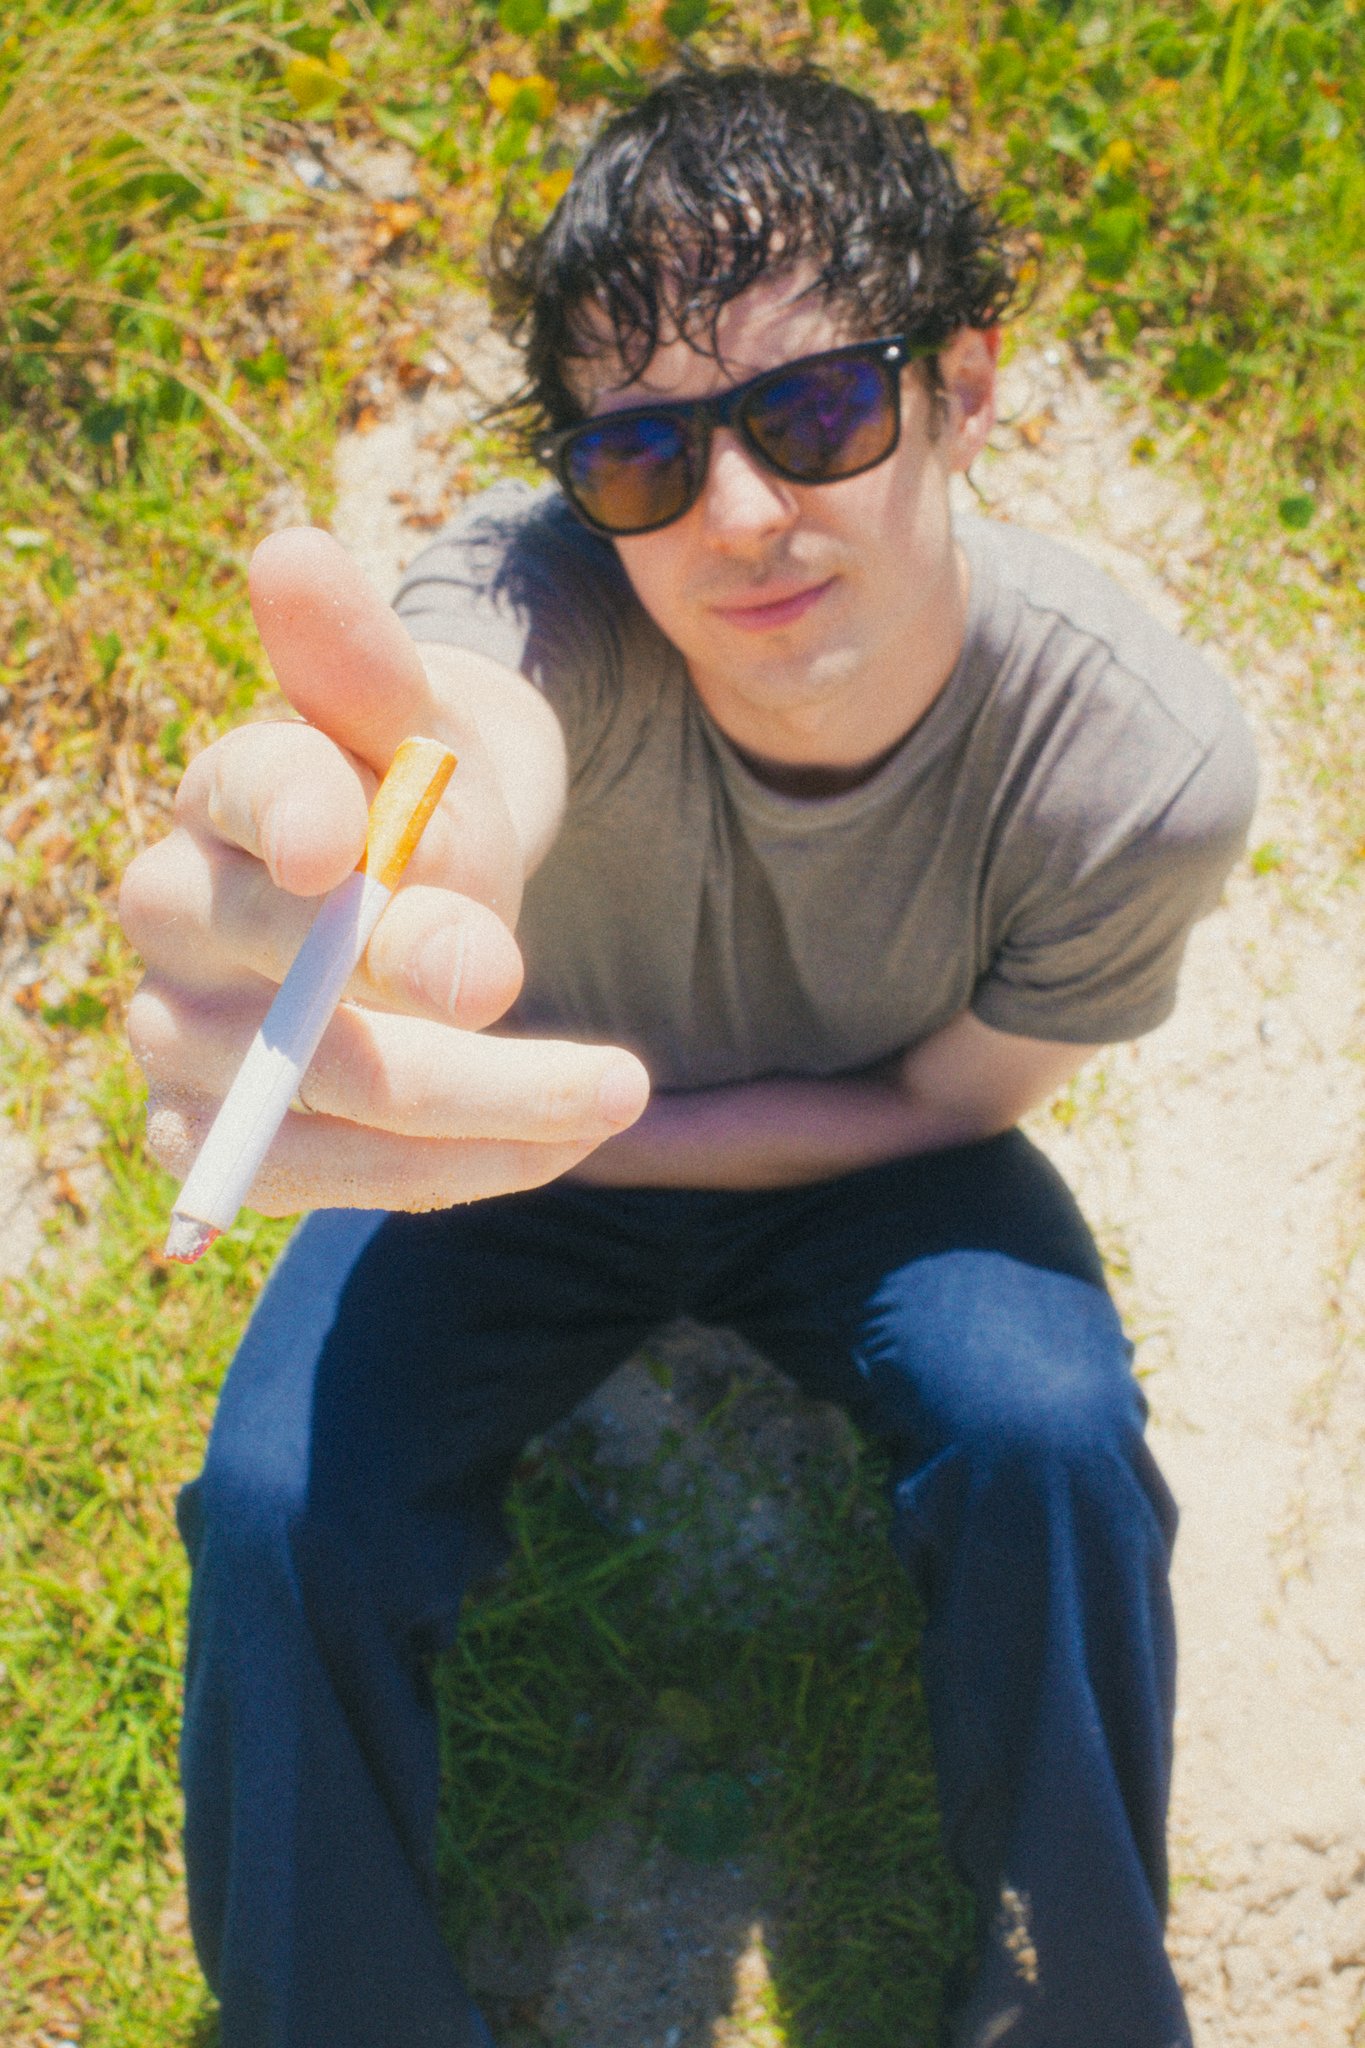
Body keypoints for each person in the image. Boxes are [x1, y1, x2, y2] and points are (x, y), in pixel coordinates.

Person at [120, 64, 1257, 2048]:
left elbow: (950, 1104)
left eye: (813, 410)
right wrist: (428, 841)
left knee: (1051, 1431)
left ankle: (1074, 1995)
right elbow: (474, 717)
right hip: (505, 1161)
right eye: (643, 454)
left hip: (869, 1162)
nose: (738, 514)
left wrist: (611, 1129)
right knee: (272, 1501)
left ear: (966, 387)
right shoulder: (529, 591)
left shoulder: (1132, 763)